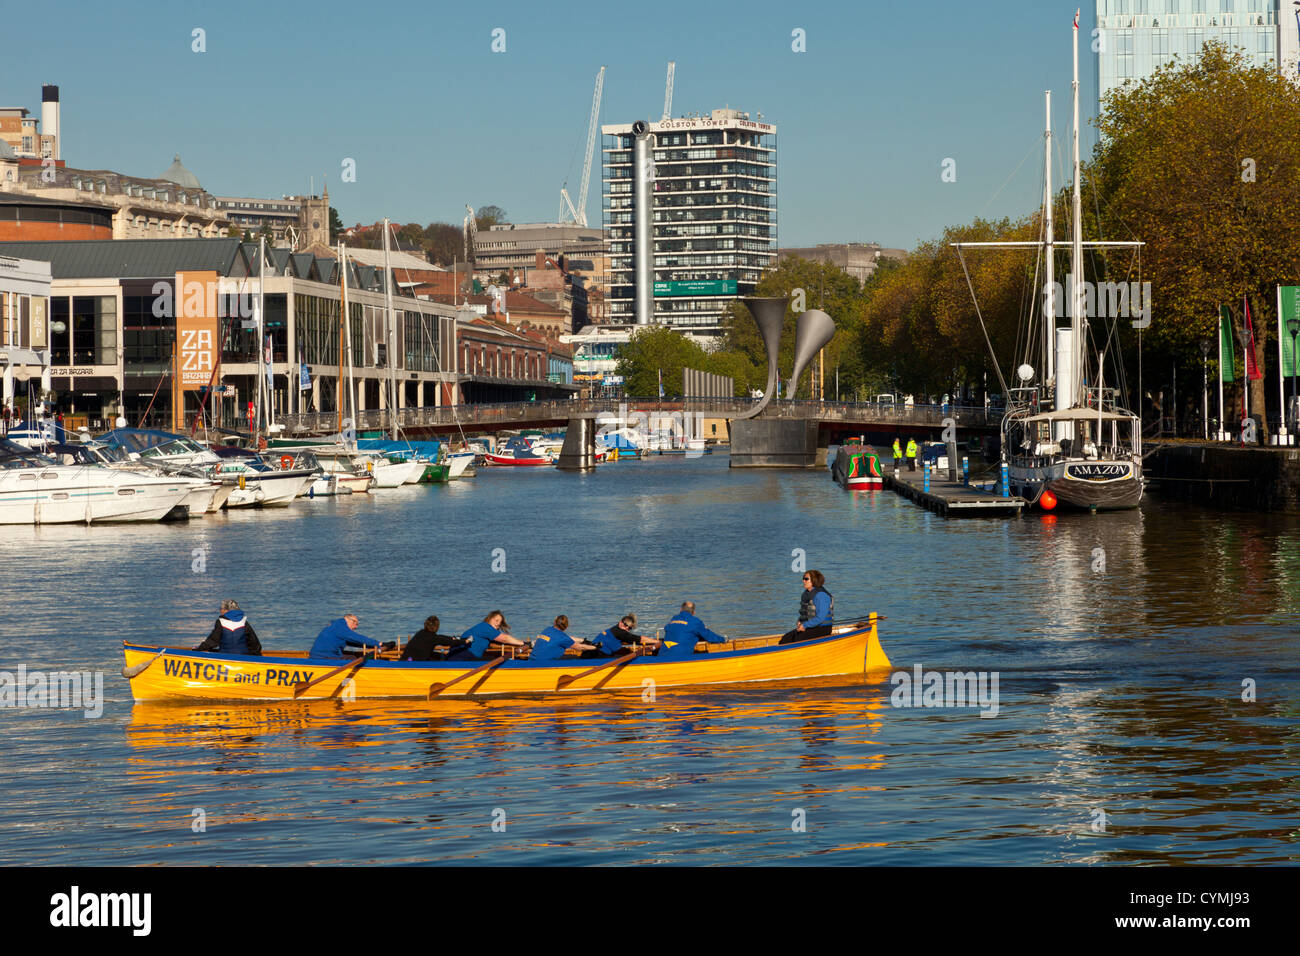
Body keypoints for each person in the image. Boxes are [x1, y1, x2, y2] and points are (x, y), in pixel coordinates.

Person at [780, 570, 833, 645]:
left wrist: (805, 625)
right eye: (803, 578)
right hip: (811, 626)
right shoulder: (806, 594)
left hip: (822, 628)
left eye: (806, 579)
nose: (803, 581)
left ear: (814, 580)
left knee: (798, 639)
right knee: (785, 639)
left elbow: (821, 618)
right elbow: (805, 612)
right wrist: (800, 621)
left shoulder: (821, 595)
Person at [657, 602, 726, 659]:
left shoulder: (673, 619)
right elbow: (710, 637)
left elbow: (670, 629)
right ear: (693, 613)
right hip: (680, 658)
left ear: (681, 610)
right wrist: (723, 639)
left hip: (661, 656)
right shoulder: (695, 622)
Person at [195, 599, 262, 656]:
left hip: (225, 656)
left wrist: (198, 649)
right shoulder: (244, 622)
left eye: (221, 609)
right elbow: (256, 645)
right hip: (242, 657)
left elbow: (213, 641)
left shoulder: (220, 622)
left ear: (226, 610)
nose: (220, 611)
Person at [310, 613, 390, 659]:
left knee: (351, 656)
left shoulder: (336, 625)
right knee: (352, 659)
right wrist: (379, 644)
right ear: (350, 620)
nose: (356, 627)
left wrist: (372, 646)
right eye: (356, 624)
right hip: (323, 657)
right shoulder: (341, 627)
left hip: (321, 655)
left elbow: (354, 642)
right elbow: (358, 638)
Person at [452, 610, 526, 660]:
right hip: (462, 655)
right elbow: (505, 639)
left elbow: (503, 641)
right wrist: (524, 643)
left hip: (464, 655)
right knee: (494, 661)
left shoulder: (487, 630)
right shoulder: (485, 627)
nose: (498, 624)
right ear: (489, 619)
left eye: (500, 622)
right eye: (496, 620)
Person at [529, 615, 598, 661]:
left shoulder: (548, 629)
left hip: (532, 659)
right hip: (545, 663)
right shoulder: (562, 637)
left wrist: (583, 640)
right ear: (566, 626)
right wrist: (595, 647)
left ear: (554, 622)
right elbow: (580, 648)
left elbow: (567, 638)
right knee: (575, 657)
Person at [401, 615, 466, 661]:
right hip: (414, 664)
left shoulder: (421, 633)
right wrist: (464, 641)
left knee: (436, 655)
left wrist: (455, 638)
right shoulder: (433, 638)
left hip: (404, 660)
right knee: (442, 658)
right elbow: (449, 642)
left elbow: (441, 637)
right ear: (437, 627)